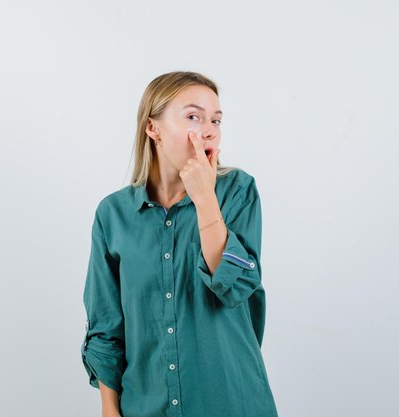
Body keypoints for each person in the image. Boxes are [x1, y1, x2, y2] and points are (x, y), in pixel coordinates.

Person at [81, 71, 279, 417]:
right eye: (193, 116)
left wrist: (205, 199)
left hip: (231, 403)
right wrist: (110, 411)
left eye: (216, 120)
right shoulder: (113, 215)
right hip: (146, 407)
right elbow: (106, 326)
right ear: (153, 128)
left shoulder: (237, 192)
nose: (209, 130)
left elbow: (235, 287)